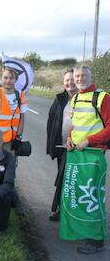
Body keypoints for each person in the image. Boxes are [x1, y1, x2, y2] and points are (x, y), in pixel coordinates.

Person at [65, 65, 110, 254]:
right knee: (79, 195)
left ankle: (96, 240)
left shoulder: (103, 97)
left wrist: (89, 141)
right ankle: (84, 231)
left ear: (91, 77)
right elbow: (77, 124)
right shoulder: (75, 98)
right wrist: (69, 137)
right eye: (77, 76)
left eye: (83, 75)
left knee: (92, 197)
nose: (79, 78)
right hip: (77, 154)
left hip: (93, 155)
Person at [46, 69, 77, 221]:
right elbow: (51, 122)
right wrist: (51, 145)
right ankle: (61, 210)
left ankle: (75, 212)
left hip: (80, 148)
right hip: (63, 147)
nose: (69, 82)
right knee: (63, 179)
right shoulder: (59, 99)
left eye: (72, 79)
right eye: (67, 80)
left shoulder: (86, 98)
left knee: (75, 180)